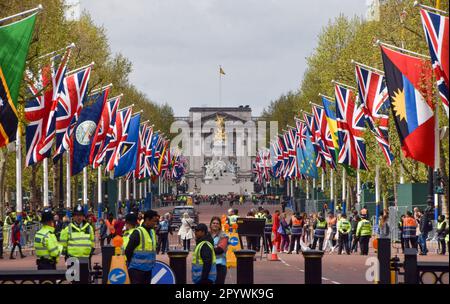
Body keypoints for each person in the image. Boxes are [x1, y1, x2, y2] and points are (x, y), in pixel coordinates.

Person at [125, 210, 159, 284]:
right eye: (153, 221)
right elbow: (128, 250)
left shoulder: (152, 232)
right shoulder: (138, 232)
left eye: (156, 221)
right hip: (136, 270)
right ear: (147, 220)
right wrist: (132, 263)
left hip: (148, 269)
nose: (155, 223)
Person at [210, 217, 228, 284]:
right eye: (214, 223)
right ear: (210, 225)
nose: (215, 225)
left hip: (220, 265)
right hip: (208, 265)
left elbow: (220, 250)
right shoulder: (207, 235)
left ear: (220, 226)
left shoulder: (224, 236)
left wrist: (208, 249)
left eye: (217, 223)